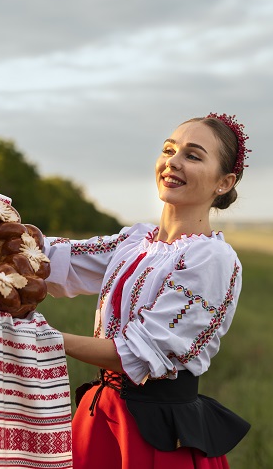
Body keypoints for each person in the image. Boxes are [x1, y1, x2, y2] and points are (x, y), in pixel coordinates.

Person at [43, 113, 252, 469]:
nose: (173, 161)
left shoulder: (210, 258)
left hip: (154, 434)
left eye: (193, 155)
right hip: (101, 415)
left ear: (224, 182)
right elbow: (54, 259)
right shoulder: (136, 241)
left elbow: (138, 354)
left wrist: (41, 338)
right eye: (169, 150)